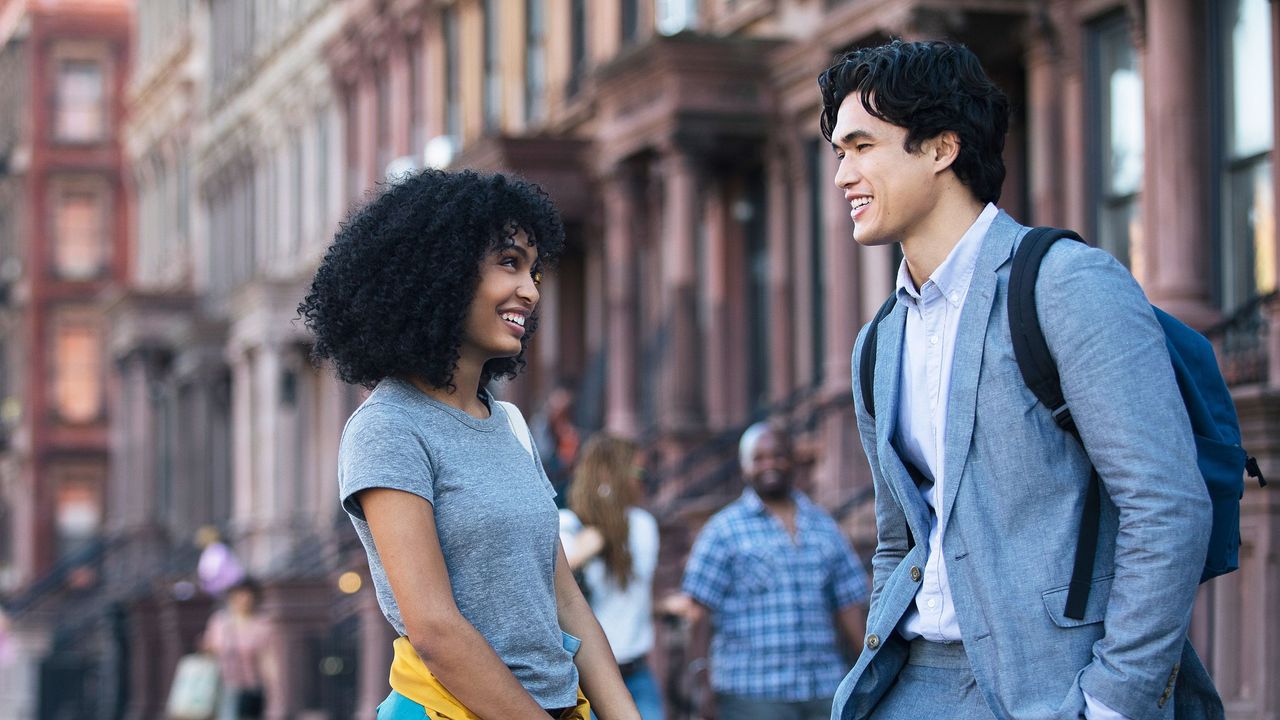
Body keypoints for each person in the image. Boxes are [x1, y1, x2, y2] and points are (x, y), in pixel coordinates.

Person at [820, 40, 1222, 719]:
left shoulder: (1067, 286)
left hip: (1055, 687)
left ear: (941, 148)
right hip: (910, 684)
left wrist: (1113, 702)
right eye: (839, 153)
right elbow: (899, 536)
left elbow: (1167, 507)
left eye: (862, 146)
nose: (843, 176)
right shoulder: (880, 340)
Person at [298, 169, 640, 720]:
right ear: (441, 273)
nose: (530, 290)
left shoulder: (509, 422)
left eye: (534, 269)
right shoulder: (388, 427)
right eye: (509, 263)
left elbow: (565, 600)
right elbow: (434, 627)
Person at [665, 421, 868, 720]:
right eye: (758, 458)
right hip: (752, 693)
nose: (769, 465)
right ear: (744, 467)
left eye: (777, 455)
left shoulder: (824, 526)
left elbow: (848, 604)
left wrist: (869, 668)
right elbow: (699, 612)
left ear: (792, 460)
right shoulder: (722, 530)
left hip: (824, 689)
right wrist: (701, 682)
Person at [559, 435, 664, 720]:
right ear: (610, 475)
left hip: (637, 673)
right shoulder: (569, 524)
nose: (644, 481)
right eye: (638, 473)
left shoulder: (643, 526)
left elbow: (633, 597)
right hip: (584, 678)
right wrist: (606, 523)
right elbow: (563, 570)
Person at [202, 578, 276, 720]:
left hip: (252, 686)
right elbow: (210, 649)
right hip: (224, 685)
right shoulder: (220, 622)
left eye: (247, 595)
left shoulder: (262, 624)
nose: (243, 600)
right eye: (239, 595)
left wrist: (272, 685)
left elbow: (268, 657)